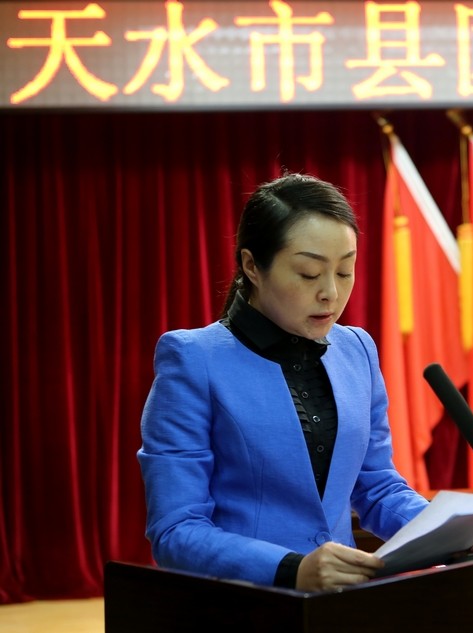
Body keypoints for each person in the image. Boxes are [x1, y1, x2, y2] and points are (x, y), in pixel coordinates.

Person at [138, 173, 431, 592]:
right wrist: (291, 569)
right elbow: (175, 530)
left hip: (340, 605)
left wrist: (452, 532)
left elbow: (378, 488)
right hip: (245, 605)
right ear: (251, 266)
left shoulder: (357, 350)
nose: (331, 293)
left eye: (344, 271)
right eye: (309, 273)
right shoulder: (193, 359)